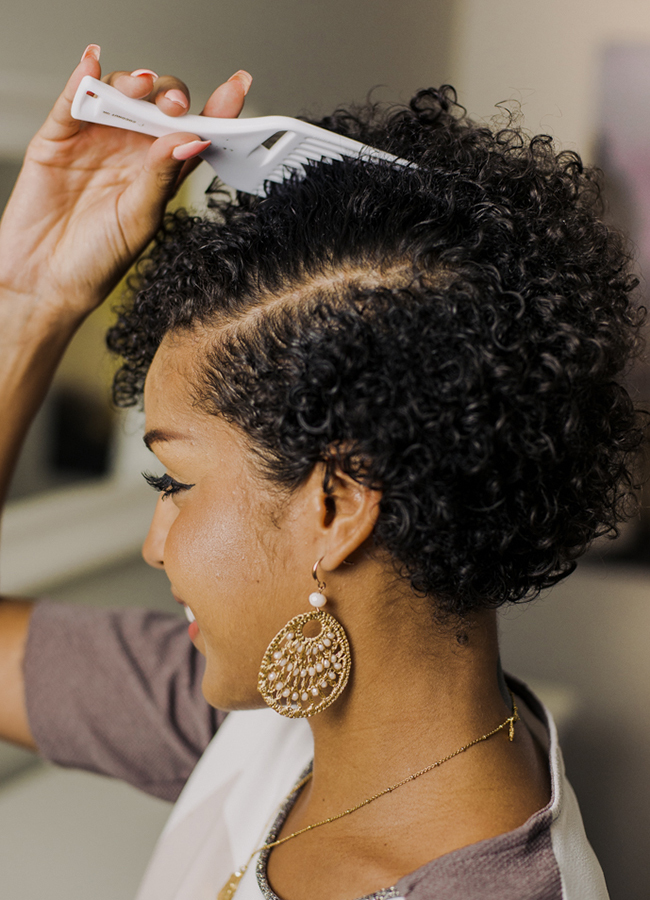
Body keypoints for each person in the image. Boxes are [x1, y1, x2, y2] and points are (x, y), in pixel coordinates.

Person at [0, 44, 640, 900]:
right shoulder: (265, 721)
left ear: (336, 504)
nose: (157, 545)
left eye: (174, 486)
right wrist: (29, 302)